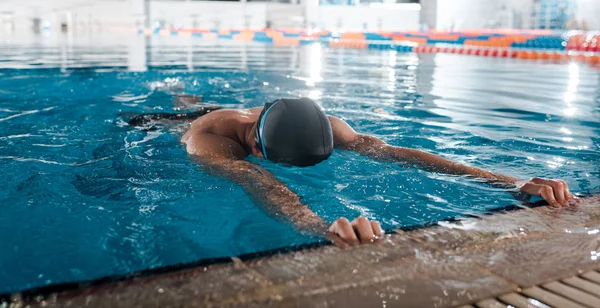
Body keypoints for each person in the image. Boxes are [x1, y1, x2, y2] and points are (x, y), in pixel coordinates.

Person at [130, 97, 576, 248]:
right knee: (176, 112)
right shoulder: (208, 143)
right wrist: (319, 226)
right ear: (255, 144)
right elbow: (258, 183)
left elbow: (402, 153)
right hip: (163, 126)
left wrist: (512, 182)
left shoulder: (332, 126)